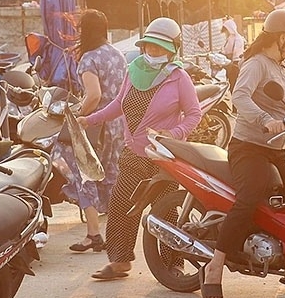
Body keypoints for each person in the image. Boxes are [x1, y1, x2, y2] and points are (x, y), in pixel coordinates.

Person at [201, 9, 285, 298]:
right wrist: (264, 119)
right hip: (248, 147)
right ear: (281, 38)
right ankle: (215, 267)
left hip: (275, 149)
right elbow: (240, 96)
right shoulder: (257, 64)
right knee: (249, 198)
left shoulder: (284, 69)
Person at [79, 17, 202, 281]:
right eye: (149, 46)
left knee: (165, 211)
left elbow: (194, 114)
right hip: (133, 153)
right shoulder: (133, 70)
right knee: (120, 204)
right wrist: (90, 119)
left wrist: (174, 133)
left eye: (159, 47)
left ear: (172, 49)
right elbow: (118, 104)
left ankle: (173, 264)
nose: (153, 51)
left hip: (163, 157)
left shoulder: (178, 77)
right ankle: (119, 262)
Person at [66, 10, 128, 254]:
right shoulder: (117, 54)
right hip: (117, 124)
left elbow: (94, 95)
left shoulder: (89, 58)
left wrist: (77, 116)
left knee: (85, 174)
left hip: (96, 125)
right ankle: (117, 234)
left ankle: (93, 234)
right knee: (111, 176)